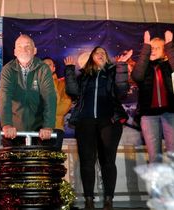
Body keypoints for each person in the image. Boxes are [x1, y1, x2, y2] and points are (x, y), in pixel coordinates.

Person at [65, 47, 132, 210]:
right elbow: (73, 91)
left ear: (107, 58)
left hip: (109, 121)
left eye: (104, 53)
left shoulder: (113, 72)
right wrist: (69, 70)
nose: (101, 54)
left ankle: (108, 201)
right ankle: (89, 201)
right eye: (97, 53)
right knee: (87, 161)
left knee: (108, 161)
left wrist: (122, 67)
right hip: (85, 122)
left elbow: (122, 90)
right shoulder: (84, 76)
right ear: (91, 58)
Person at [131, 31, 174, 163]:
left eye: (158, 48)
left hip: (173, 113)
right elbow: (137, 76)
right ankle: (156, 184)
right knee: (154, 158)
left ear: (165, 52)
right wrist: (146, 47)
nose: (153, 50)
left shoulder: (170, 66)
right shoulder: (143, 67)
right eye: (151, 48)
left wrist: (169, 45)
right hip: (149, 115)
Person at [0, 34, 56, 146]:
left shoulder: (43, 69)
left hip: (40, 131)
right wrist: (7, 125)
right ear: (14, 52)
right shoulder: (7, 70)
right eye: (19, 46)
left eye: (27, 46)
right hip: (14, 130)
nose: (23, 49)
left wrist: (48, 126)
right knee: (11, 162)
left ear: (34, 50)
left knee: (42, 161)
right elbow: (4, 97)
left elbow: (49, 97)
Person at [42, 57, 72, 150]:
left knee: (53, 161)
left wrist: (45, 113)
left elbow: (64, 107)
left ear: (54, 68)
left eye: (49, 65)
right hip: (37, 128)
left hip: (56, 127)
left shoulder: (62, 84)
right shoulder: (34, 85)